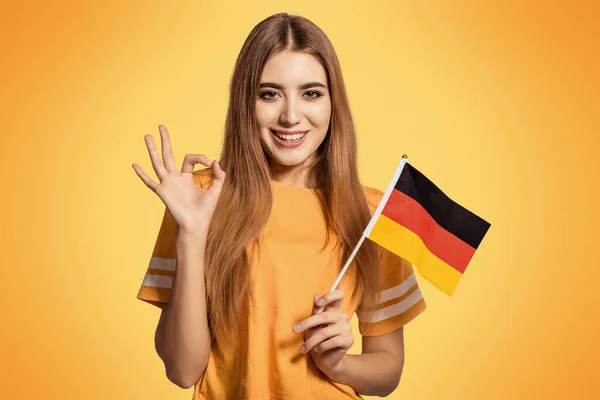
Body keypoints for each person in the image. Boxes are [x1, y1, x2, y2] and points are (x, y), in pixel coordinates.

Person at [132, 12, 426, 399]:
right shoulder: (201, 199)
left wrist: (339, 363)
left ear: (333, 102)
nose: (290, 116)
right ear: (245, 102)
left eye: (311, 93)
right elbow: (183, 370)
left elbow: (387, 373)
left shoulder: (372, 213)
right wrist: (190, 233)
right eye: (269, 94)